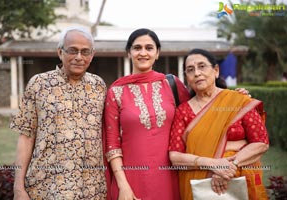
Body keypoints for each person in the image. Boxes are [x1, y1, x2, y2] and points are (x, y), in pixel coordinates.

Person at [103, 29, 249, 200]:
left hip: (171, 176)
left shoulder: (172, 84)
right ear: (129, 52)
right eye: (137, 48)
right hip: (131, 177)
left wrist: (232, 100)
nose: (143, 53)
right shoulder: (116, 91)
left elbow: (202, 115)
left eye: (149, 48)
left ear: (157, 53)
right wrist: (123, 185)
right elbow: (112, 144)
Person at [11, 27, 107, 199]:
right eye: (72, 50)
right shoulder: (38, 84)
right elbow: (26, 136)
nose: (79, 57)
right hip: (46, 188)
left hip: (92, 189)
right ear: (60, 52)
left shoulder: (99, 86)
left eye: (85, 52)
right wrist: (18, 188)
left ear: (92, 55)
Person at [169, 48, 269, 200]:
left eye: (202, 66)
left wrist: (228, 168)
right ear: (187, 78)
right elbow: (175, 157)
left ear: (216, 70)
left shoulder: (237, 101)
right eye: (190, 70)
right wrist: (211, 164)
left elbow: (261, 142)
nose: (197, 73)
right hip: (198, 187)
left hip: (240, 183)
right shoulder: (182, 111)